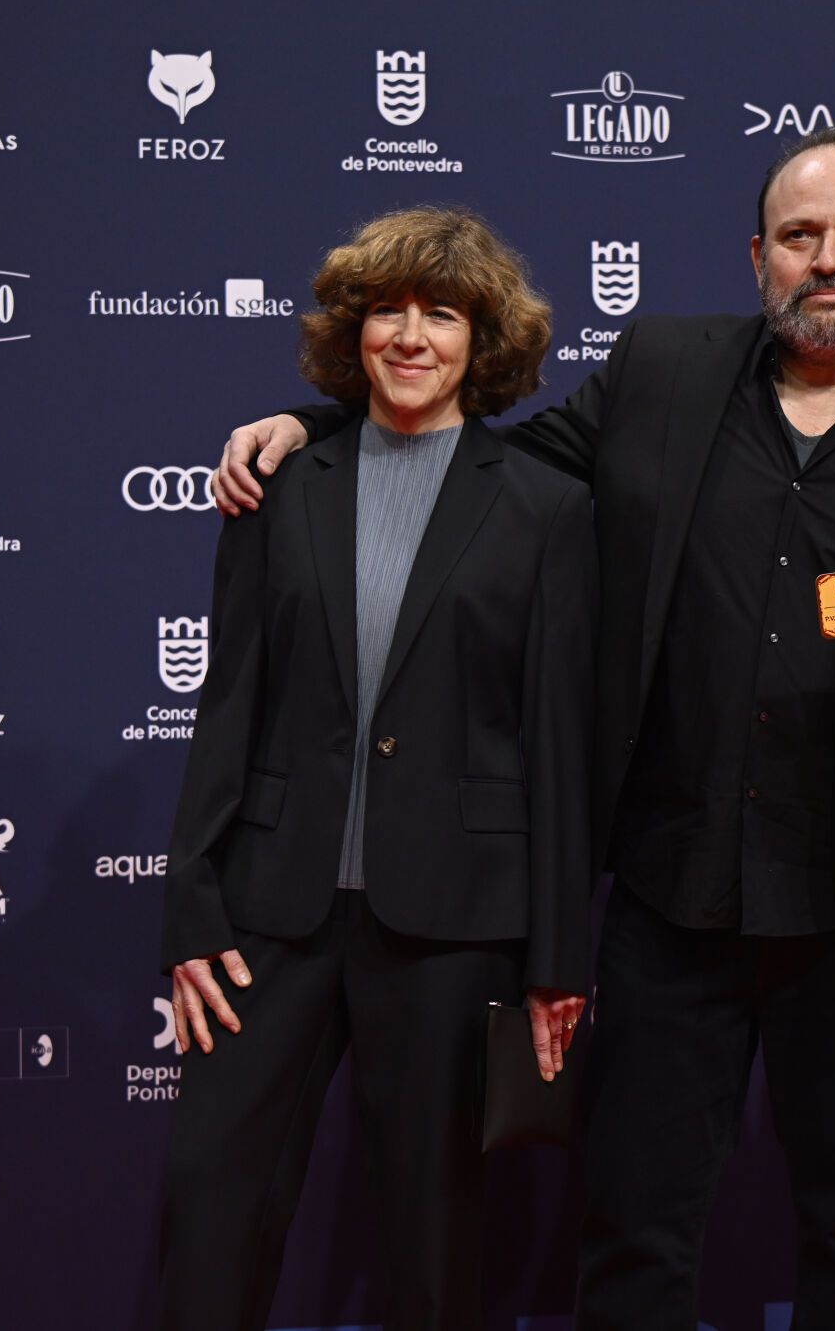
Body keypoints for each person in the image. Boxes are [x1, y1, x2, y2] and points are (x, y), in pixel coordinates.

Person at [213, 129, 835, 1329]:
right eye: (800, 235)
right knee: (634, 1235)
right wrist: (321, 431)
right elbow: (483, 470)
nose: (828, 260)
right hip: (673, 906)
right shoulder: (660, 370)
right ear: (756, 254)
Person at [160, 206, 595, 1331]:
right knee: (212, 1206)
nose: (410, 336)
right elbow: (228, 706)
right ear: (351, 330)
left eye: (440, 314)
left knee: (434, 1233)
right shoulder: (277, 482)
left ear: (481, 341)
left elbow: (556, 737)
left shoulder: (546, 506)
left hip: (454, 923)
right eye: (386, 311)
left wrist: (555, 956)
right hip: (267, 917)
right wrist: (192, 908)